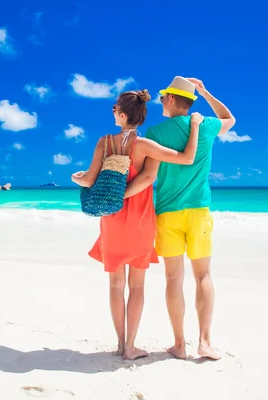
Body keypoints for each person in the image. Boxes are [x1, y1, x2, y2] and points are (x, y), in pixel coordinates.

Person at [71, 89, 204, 360]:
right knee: (138, 286)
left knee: (116, 285)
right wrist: (195, 125)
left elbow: (89, 180)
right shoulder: (145, 146)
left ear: (122, 114)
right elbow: (186, 158)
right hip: (141, 220)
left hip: (112, 220)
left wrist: (77, 179)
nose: (113, 114)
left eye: (114, 110)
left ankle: (121, 344)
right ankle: (131, 347)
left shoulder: (104, 143)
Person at [124, 76, 236, 360]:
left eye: (163, 97)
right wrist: (205, 91)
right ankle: (205, 342)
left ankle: (179, 344)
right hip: (199, 212)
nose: (161, 101)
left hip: (167, 213)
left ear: (172, 99)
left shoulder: (156, 133)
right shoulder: (208, 126)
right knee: (204, 276)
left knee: (174, 278)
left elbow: (148, 176)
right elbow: (229, 118)